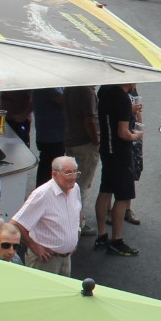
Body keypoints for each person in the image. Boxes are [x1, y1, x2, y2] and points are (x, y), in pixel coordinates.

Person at [11, 157, 83, 276]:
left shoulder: (75, 188)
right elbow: (16, 224)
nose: (73, 176)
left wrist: (76, 235)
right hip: (46, 261)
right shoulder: (42, 195)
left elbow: (77, 213)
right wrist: (34, 247)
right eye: (68, 172)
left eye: (75, 172)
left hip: (66, 258)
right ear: (54, 174)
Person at [93, 82, 142, 256]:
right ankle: (117, 240)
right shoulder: (122, 99)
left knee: (105, 190)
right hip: (120, 152)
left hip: (107, 148)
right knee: (123, 196)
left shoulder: (105, 91)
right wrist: (136, 135)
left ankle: (102, 235)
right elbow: (123, 132)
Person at [64, 85, 100, 236]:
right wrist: (96, 140)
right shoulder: (87, 91)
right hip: (84, 143)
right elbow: (89, 119)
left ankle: (68, 219)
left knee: (70, 182)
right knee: (81, 185)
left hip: (70, 139)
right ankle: (78, 223)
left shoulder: (70, 87)